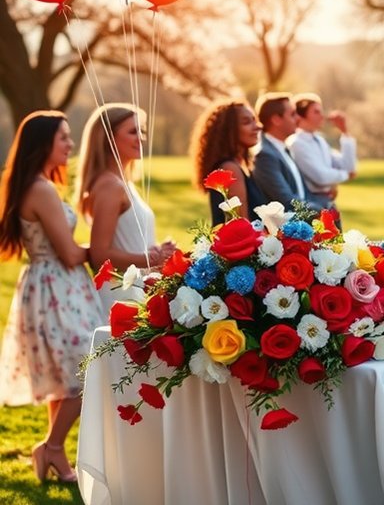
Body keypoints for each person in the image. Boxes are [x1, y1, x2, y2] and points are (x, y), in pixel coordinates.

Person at [0, 111, 106, 483]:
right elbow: (70, 254)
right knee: (87, 369)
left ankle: (52, 452)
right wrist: (105, 249)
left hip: (53, 285)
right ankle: (53, 446)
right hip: (56, 285)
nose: (70, 144)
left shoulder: (39, 184)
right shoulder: (40, 189)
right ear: (43, 143)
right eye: (63, 137)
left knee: (65, 374)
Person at [72, 104, 175, 311]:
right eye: (133, 131)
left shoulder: (124, 183)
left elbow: (129, 243)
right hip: (119, 294)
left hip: (136, 289)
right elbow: (100, 254)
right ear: (108, 138)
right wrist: (151, 258)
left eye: (141, 131)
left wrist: (157, 251)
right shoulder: (110, 186)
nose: (141, 138)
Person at [189, 99, 268, 225]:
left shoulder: (241, 165)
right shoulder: (230, 169)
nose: (258, 126)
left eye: (254, 120)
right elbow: (242, 224)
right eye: (247, 122)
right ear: (228, 129)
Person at [286, 93, 357, 213]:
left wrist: (345, 132)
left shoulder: (320, 140)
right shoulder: (296, 143)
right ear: (300, 115)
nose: (322, 116)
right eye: (316, 112)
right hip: (312, 204)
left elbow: (348, 166)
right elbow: (320, 177)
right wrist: (346, 175)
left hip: (328, 202)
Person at [251, 92, 308, 209]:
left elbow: (303, 193)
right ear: (276, 119)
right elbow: (287, 202)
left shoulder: (284, 148)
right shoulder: (265, 156)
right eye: (292, 114)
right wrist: (321, 209)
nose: (298, 118)